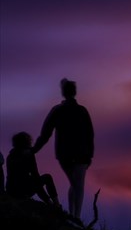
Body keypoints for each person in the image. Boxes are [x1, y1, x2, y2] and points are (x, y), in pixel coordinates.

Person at [33, 78, 94, 220]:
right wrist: (90, 154)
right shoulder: (81, 110)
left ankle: (74, 217)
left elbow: (45, 134)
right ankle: (76, 217)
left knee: (75, 184)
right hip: (81, 154)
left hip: (64, 154)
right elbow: (90, 134)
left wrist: (34, 150)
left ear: (63, 92)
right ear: (74, 92)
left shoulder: (57, 110)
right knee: (78, 185)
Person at [6, 132, 60, 206]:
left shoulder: (10, 156)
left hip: (11, 190)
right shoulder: (28, 155)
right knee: (47, 177)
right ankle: (56, 204)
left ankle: (51, 203)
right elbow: (35, 176)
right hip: (22, 190)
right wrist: (47, 200)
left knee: (34, 180)